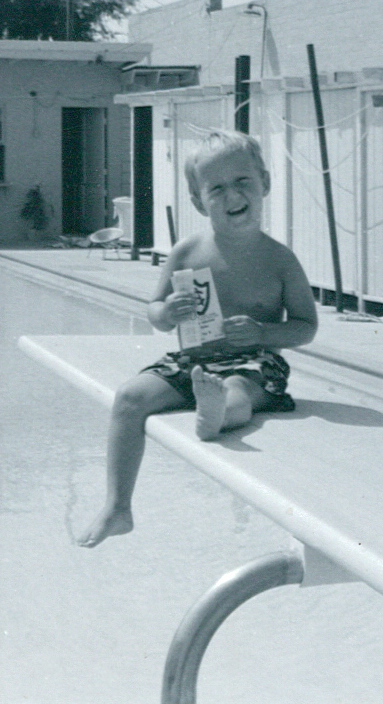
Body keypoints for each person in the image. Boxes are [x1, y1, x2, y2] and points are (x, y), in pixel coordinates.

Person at [76, 129, 318, 547]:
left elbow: (305, 325)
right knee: (129, 397)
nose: (232, 195)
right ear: (198, 201)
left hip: (254, 363)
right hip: (192, 362)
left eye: (242, 181)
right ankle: (117, 507)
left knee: (236, 389)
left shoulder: (280, 260)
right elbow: (154, 311)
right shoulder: (186, 252)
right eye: (216, 188)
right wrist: (167, 312)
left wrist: (263, 332)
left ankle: (217, 413)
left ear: (264, 183)